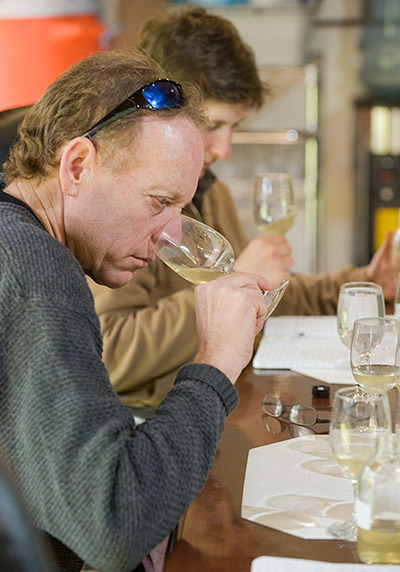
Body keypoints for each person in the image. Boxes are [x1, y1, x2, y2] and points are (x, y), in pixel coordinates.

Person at [0, 49, 270, 572]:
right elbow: (114, 525)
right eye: (159, 202)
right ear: (77, 166)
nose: (170, 236)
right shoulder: (38, 276)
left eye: (183, 208)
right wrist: (215, 361)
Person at [87, 6, 396, 415]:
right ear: (160, 108)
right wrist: (226, 290)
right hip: (152, 423)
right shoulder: (125, 207)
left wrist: (364, 283)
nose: (225, 149)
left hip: (218, 406)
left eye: (235, 128)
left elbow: (259, 289)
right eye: (213, 125)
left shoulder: (212, 194)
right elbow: (110, 354)